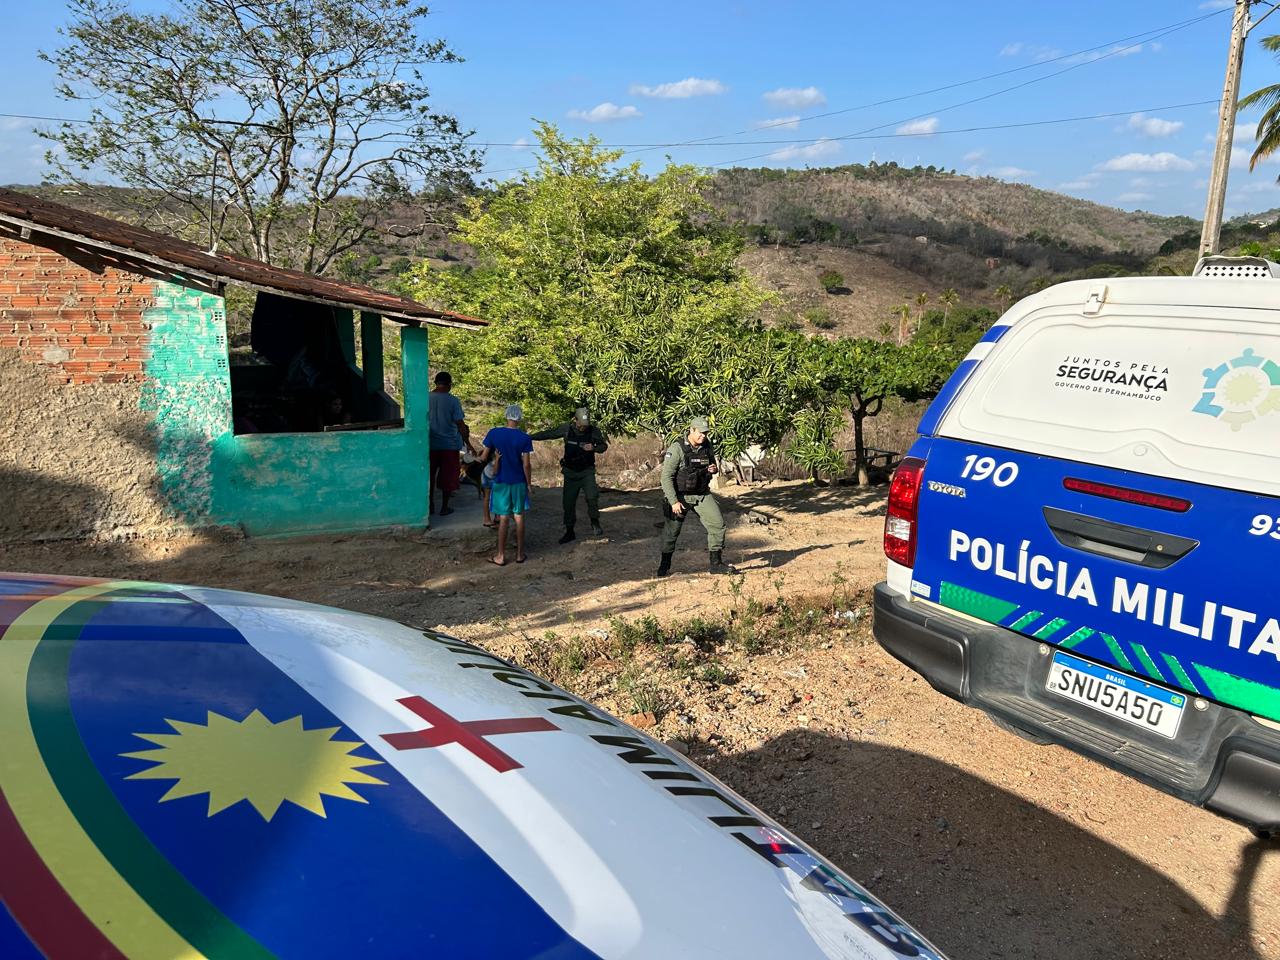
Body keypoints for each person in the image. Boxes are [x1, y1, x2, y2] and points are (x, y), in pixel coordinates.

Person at [657, 415, 736, 577]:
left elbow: (711, 465)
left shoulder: (707, 446)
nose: (703, 436)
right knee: (672, 532)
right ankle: (664, 565)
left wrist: (713, 470)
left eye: (706, 433)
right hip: (681, 497)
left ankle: (716, 564)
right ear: (691, 430)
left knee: (718, 524)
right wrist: (673, 502)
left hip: (701, 494)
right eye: (700, 433)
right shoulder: (677, 449)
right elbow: (666, 478)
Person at [530, 406, 609, 543]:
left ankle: (595, 522)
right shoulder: (566, 428)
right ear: (575, 420)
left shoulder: (594, 431)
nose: (584, 427)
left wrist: (594, 448)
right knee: (568, 502)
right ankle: (569, 531)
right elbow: (549, 434)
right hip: (570, 472)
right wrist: (530, 437)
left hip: (587, 471)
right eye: (582, 424)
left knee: (592, 497)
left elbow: (603, 446)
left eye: (586, 425)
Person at [481, 404, 534, 566]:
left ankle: (501, 555)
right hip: (518, 481)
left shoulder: (494, 433)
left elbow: (483, 458)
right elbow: (526, 465)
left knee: (503, 518)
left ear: (506, 416)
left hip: (501, 481)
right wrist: (529, 484)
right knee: (519, 516)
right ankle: (519, 554)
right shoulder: (525, 438)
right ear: (519, 418)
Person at [428, 372, 473, 516]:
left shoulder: (425, 398)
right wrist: (468, 443)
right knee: (448, 477)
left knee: (429, 476)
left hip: (429, 444)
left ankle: (430, 505)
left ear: (435, 383)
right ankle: (444, 507)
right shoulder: (453, 401)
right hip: (449, 445)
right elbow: (460, 425)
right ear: (449, 384)